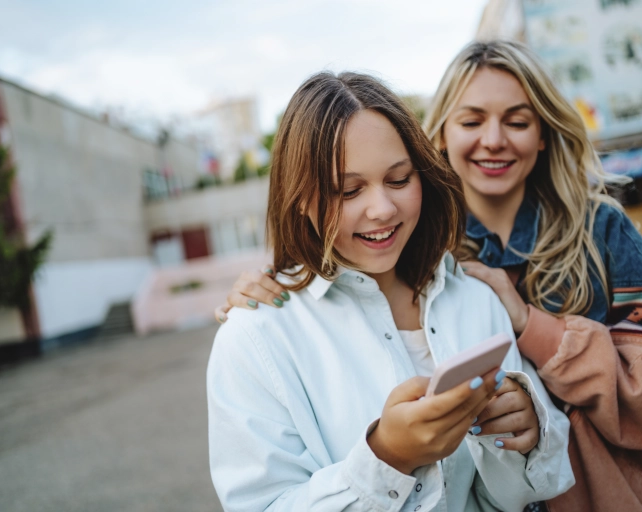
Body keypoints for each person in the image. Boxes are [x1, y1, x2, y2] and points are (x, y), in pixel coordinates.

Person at [217, 41, 642, 512]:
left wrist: (528, 329)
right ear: (440, 136)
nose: (493, 139)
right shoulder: (422, 251)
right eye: (471, 121)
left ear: (544, 131)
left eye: (517, 121)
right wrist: (271, 285)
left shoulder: (597, 231)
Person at [207, 71, 574, 512]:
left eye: (399, 180)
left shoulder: (475, 298)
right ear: (300, 197)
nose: (382, 209)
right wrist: (388, 457)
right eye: (348, 190)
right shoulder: (254, 336)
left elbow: (522, 491)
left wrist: (527, 432)